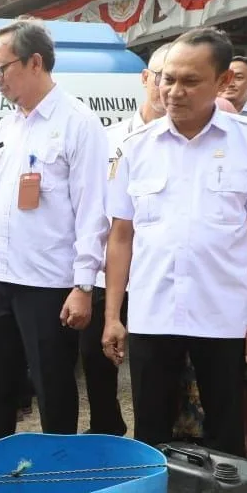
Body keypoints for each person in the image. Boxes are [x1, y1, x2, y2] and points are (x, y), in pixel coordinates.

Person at [102, 27, 247, 457]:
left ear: (224, 81)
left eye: (190, 81)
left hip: (223, 316)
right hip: (153, 313)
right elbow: (120, 237)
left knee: (225, 434)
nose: (173, 91)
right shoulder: (134, 148)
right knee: (150, 433)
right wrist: (113, 315)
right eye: (166, 79)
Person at [0, 18, 109, 442]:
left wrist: (83, 285)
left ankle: (55, 475)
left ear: (36, 62)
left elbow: (93, 210)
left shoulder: (78, 123)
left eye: (2, 68)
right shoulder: (5, 128)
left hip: (49, 285)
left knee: (53, 387)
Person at [79, 43, 172, 437]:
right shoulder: (108, 138)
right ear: (145, 78)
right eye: (159, 75)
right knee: (97, 360)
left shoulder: (190, 142)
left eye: (176, 76)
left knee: (157, 367)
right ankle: (105, 430)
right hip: (107, 267)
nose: (165, 86)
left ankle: (160, 441)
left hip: (157, 272)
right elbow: (91, 206)